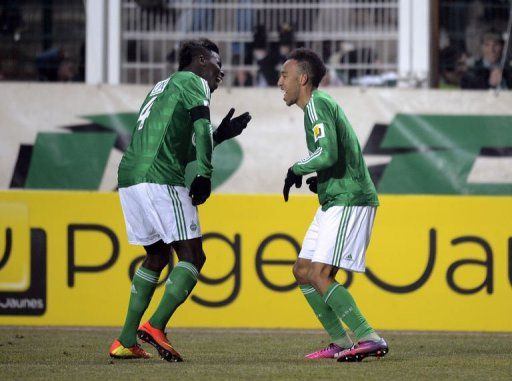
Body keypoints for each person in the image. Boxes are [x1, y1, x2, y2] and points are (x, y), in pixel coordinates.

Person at [109, 39, 252, 362]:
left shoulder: (162, 87)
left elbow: (180, 146)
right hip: (160, 178)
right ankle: (156, 325)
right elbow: (200, 130)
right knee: (193, 255)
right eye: (217, 63)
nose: (222, 72)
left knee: (157, 256)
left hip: (131, 177)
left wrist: (220, 136)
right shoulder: (194, 81)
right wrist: (204, 173)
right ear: (201, 61)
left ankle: (125, 340)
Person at [277, 48, 388, 362]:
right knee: (303, 271)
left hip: (349, 198)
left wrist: (296, 169)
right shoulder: (318, 107)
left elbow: (327, 154)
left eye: (285, 75)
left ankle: (369, 337)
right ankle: (340, 341)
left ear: (303, 78)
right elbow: (334, 155)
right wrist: (321, 180)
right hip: (334, 197)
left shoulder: (315, 104)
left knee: (320, 273)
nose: (279, 82)